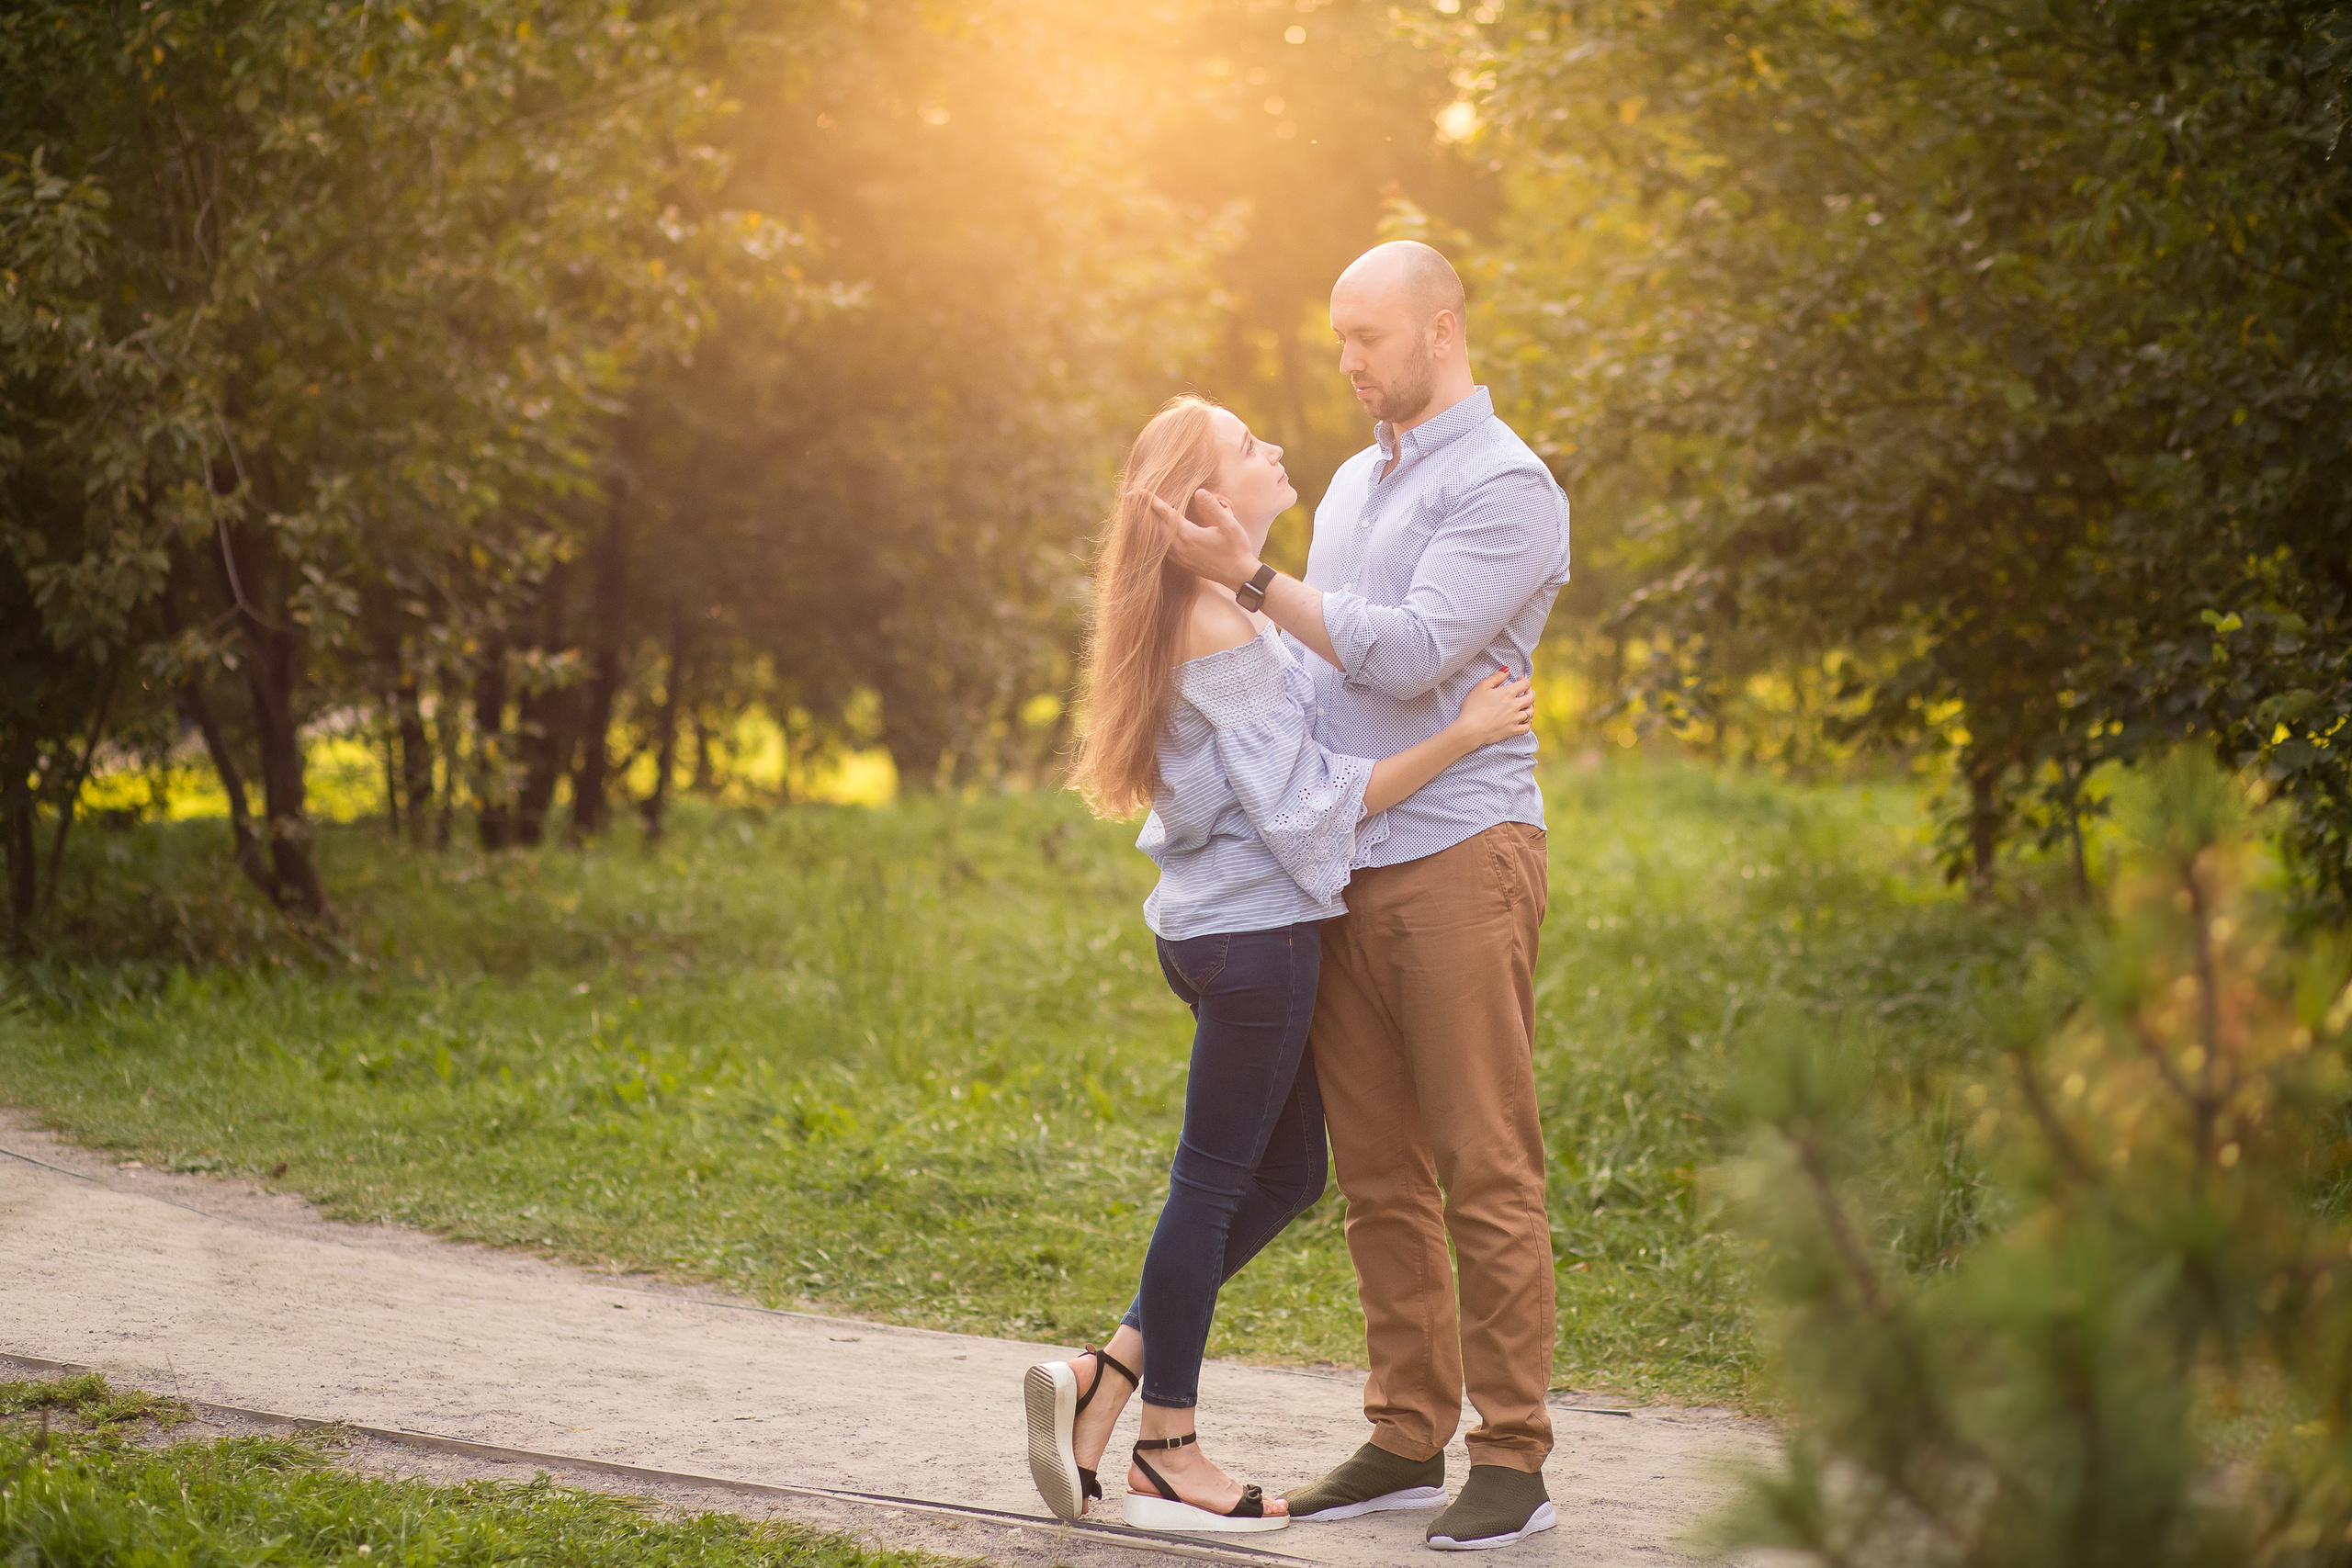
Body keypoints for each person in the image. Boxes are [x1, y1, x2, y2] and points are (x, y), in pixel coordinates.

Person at [1023, 392, 1536, 1536]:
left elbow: (1245, 777)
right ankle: (1169, 1443)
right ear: (1208, 500)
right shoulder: (1215, 620)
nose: (1275, 450)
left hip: (1214, 929)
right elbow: (1307, 816)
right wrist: (1458, 736)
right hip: (1255, 940)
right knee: (1210, 1185)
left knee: (1287, 1175)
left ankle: (1103, 1378)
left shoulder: (1203, 611)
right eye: (1250, 447)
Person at [1150, 241, 1572, 1551]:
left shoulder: (1510, 487)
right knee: (1381, 1171)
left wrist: (1252, 576)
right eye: (1338, 337)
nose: (1346, 363)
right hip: (1341, 866)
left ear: (1441, 328)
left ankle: (1512, 1457)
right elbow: (1314, 682)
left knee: (1484, 1161)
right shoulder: (1345, 483)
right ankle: (1405, 1428)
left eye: (1368, 338)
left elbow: (1405, 653)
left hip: (1458, 849)